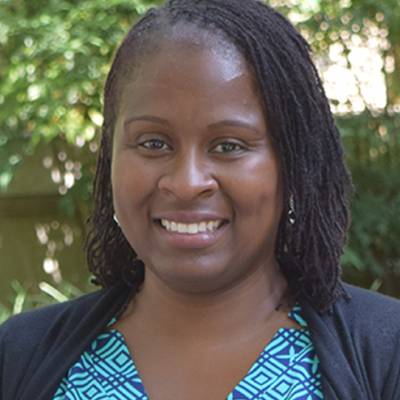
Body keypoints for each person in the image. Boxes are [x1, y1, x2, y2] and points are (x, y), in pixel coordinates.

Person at [1, 0, 399, 399]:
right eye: (153, 143)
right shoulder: (18, 355)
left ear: (292, 162)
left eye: (228, 145)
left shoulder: (386, 352)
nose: (187, 183)